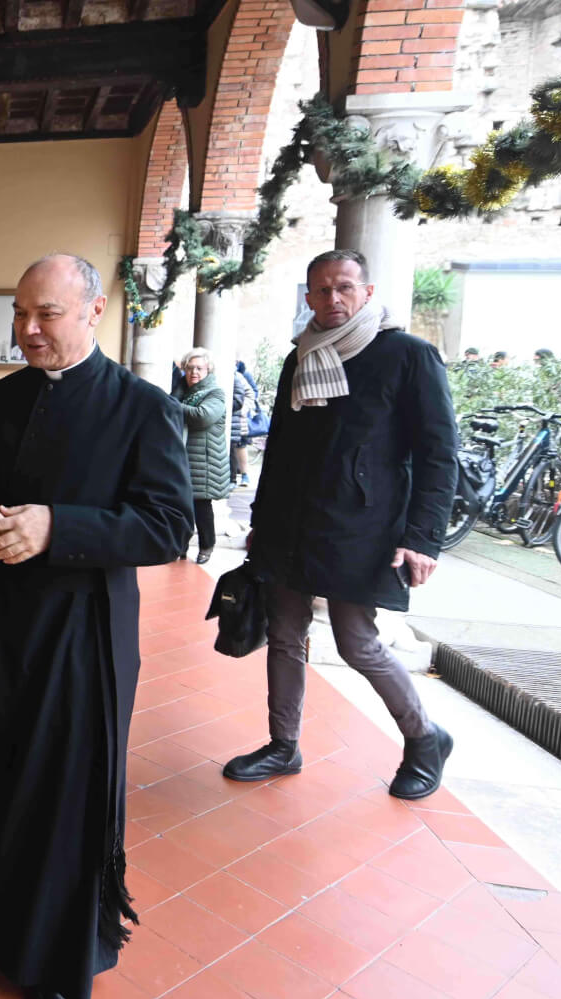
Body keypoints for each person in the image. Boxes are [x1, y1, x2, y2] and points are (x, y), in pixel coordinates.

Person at [0, 254, 192, 999]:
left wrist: (57, 527)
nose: (28, 330)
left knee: (67, 787)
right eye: (21, 313)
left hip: (83, 626)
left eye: (48, 314)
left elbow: (169, 526)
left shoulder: (142, 407)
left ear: (94, 310)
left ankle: (56, 963)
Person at [226, 249, 458, 801]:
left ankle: (425, 739)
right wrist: (260, 519)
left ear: (367, 292)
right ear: (308, 297)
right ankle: (283, 745)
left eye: (345, 287)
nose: (333, 298)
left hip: (362, 528)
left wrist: (423, 539)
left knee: (358, 643)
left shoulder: (408, 355)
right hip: (290, 524)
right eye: (323, 290)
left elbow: (439, 454)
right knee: (284, 636)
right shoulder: (300, 357)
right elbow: (280, 447)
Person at [172, 348, 232, 563]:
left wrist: (173, 405)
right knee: (180, 505)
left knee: (201, 507)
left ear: (208, 370)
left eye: (199, 368)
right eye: (189, 368)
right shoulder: (181, 392)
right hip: (183, 456)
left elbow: (202, 417)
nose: (194, 372)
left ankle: (207, 545)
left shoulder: (215, 393)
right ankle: (180, 547)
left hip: (205, 460)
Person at [231, 359, 258, 487]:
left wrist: (243, 410)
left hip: (238, 417)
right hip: (231, 417)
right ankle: (233, 477)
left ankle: (244, 475)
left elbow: (251, 393)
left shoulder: (238, 376)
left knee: (240, 445)